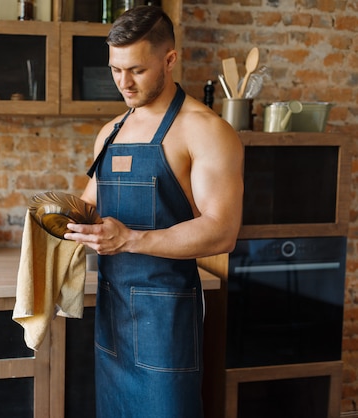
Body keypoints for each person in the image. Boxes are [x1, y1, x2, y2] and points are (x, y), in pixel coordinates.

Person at [63, 5, 244, 418]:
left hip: (166, 316)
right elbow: (90, 205)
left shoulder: (206, 130)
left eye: (137, 70)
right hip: (112, 312)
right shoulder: (110, 132)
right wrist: (54, 218)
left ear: (169, 59)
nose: (123, 83)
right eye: (115, 69)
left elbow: (222, 231)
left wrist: (130, 238)